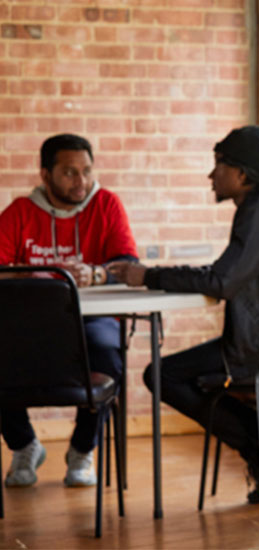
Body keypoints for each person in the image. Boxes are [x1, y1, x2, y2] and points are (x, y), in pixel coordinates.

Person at [108, 126, 259, 503]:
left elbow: (221, 282)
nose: (211, 175)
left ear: (241, 174)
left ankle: (258, 449)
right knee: (165, 373)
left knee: (160, 373)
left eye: (218, 165)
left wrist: (149, 275)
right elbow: (225, 277)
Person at [0, 133, 137, 488]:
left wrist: (96, 273)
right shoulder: (19, 212)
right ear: (45, 175)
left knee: (107, 351)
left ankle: (82, 449)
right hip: (29, 323)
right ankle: (24, 445)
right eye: (69, 173)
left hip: (93, 318)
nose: (82, 182)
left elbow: (127, 263)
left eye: (87, 171)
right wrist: (29, 276)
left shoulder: (106, 205)